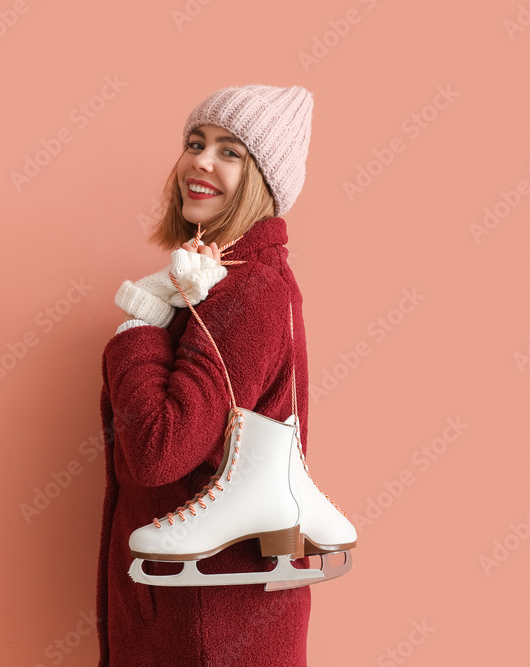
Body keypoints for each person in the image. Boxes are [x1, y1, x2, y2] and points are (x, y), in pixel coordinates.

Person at [96, 84, 316, 666]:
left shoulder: (250, 290)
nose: (201, 161)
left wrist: (141, 323)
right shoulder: (216, 278)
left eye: (230, 152)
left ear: (264, 182)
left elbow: (158, 449)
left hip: (211, 621)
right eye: (196, 143)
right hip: (191, 604)